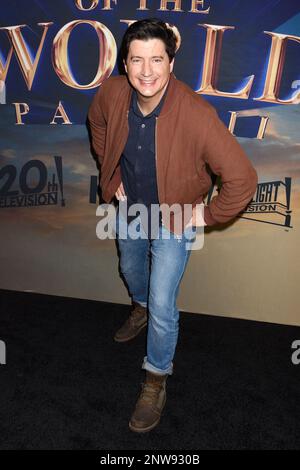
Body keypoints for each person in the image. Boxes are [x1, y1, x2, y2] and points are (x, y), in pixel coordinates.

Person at [88, 18, 257, 433]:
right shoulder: (111, 93)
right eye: (137, 60)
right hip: (130, 208)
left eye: (157, 60)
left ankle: (155, 377)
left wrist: (203, 214)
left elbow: (243, 180)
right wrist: (113, 174)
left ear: (171, 63)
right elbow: (97, 125)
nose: (147, 71)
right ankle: (139, 308)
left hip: (173, 217)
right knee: (130, 271)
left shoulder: (196, 114)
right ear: (124, 64)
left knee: (165, 304)